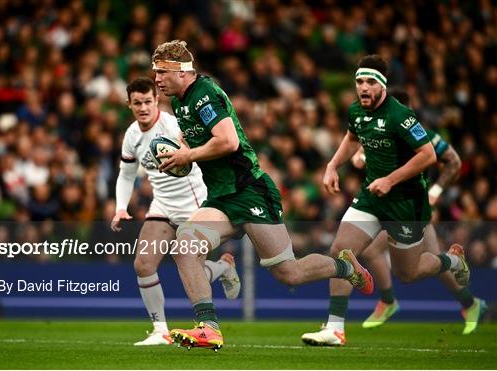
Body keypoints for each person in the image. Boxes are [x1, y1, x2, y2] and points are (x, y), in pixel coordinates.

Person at [152, 40, 374, 351]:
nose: (157, 79)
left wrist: (187, 157)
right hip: (222, 198)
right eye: (155, 72)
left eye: (162, 72)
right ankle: (208, 327)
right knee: (185, 244)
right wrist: (181, 153)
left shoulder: (204, 93)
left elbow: (228, 142)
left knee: (289, 273)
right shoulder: (180, 101)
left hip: (250, 191)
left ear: (184, 72)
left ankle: (345, 268)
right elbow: (198, 144)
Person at [300, 55, 470, 346]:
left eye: (369, 82)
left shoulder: (400, 115)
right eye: (359, 82)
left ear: (382, 85)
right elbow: (352, 138)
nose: (363, 87)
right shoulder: (356, 110)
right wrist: (331, 166)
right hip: (372, 195)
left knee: (408, 273)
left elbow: (428, 156)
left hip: (405, 202)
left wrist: (391, 179)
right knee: (341, 249)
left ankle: (453, 261)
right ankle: (336, 328)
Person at [111, 77, 241, 346]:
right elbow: (126, 174)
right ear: (129, 104)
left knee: (191, 269)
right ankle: (160, 331)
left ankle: (222, 268)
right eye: (137, 103)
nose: (143, 107)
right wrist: (120, 208)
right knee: (143, 264)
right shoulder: (132, 135)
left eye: (148, 101)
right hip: (162, 204)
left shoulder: (173, 123)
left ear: (156, 100)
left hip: (195, 203)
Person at [352, 88, 487, 335]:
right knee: (428, 260)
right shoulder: (378, 133)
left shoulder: (422, 135)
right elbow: (357, 157)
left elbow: (454, 161)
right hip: (386, 206)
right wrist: (359, 156)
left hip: (411, 208)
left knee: (413, 265)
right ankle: (469, 302)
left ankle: (391, 301)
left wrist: (435, 192)